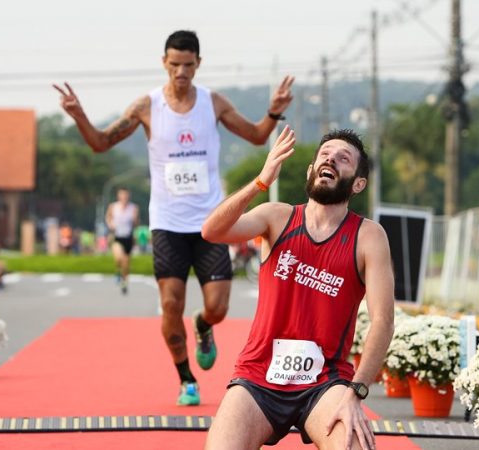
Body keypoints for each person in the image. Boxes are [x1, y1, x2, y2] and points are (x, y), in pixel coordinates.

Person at [54, 30, 294, 405]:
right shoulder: (147, 107)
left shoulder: (213, 104)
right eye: (174, 64)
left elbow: (258, 136)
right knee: (170, 305)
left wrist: (274, 111)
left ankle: (202, 327)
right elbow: (101, 143)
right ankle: (186, 379)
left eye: (188, 64)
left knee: (217, 307)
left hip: (212, 222)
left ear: (198, 64)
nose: (181, 71)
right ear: (164, 62)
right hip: (167, 222)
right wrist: (79, 115)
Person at [201, 127, 394, 450]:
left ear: (358, 183)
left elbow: (383, 322)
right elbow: (212, 230)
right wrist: (261, 181)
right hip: (258, 377)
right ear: (311, 170)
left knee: (356, 446)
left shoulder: (368, 237)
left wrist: (354, 393)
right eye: (324, 154)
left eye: (343, 158)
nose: (330, 158)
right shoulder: (276, 217)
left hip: (325, 381)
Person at [105, 188, 139, 295]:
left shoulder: (133, 207)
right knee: (118, 258)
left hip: (128, 237)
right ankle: (118, 272)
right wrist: (110, 224)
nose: (124, 197)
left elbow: (136, 222)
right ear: (119, 196)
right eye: (122, 195)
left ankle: (124, 281)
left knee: (126, 263)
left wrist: (135, 222)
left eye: (126, 195)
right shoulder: (113, 206)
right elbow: (108, 217)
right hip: (117, 236)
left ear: (128, 196)